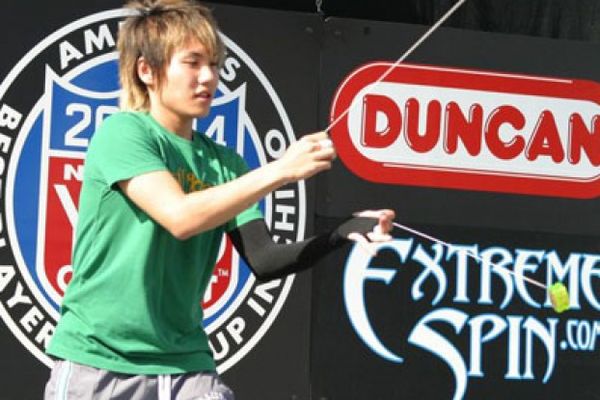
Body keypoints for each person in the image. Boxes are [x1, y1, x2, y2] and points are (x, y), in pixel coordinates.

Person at [43, 0, 395, 399]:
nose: (208, 78)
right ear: (147, 70)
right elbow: (180, 217)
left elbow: (264, 260)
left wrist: (343, 232)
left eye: (214, 64)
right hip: (99, 362)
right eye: (192, 63)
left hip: (187, 365)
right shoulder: (123, 134)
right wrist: (281, 169)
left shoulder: (226, 162)